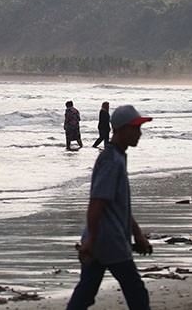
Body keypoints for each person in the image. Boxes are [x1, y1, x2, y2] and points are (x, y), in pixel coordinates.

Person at [67, 105, 153, 310]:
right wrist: (92, 240)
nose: (139, 133)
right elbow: (97, 202)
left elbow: (119, 205)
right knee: (136, 292)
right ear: (121, 129)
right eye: (135, 128)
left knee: (86, 292)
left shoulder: (117, 156)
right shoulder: (111, 160)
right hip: (108, 240)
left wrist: (137, 234)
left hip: (104, 239)